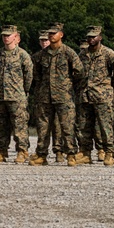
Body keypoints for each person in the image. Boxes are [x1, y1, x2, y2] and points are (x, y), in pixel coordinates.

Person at [31, 23, 84, 165]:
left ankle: (71, 154)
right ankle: (41, 155)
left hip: (63, 96)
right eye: (50, 33)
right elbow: (36, 75)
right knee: (43, 128)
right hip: (45, 96)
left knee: (67, 127)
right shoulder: (40, 55)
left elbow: (79, 72)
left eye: (54, 33)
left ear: (61, 34)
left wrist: (68, 85)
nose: (51, 35)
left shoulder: (68, 53)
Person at [76, 25, 114, 166]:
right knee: (84, 126)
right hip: (85, 96)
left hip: (102, 96)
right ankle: (85, 152)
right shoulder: (83, 55)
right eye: (89, 36)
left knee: (105, 126)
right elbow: (78, 73)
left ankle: (109, 153)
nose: (91, 39)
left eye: (94, 36)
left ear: (100, 37)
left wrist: (111, 87)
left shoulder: (108, 53)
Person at [0, 24, 31, 164]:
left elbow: (29, 75)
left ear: (16, 37)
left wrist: (23, 91)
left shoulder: (22, 55)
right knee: (1, 125)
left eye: (9, 35)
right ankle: (1, 151)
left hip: (17, 97)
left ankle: (22, 151)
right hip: (0, 96)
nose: (6, 38)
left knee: (19, 126)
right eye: (4, 35)